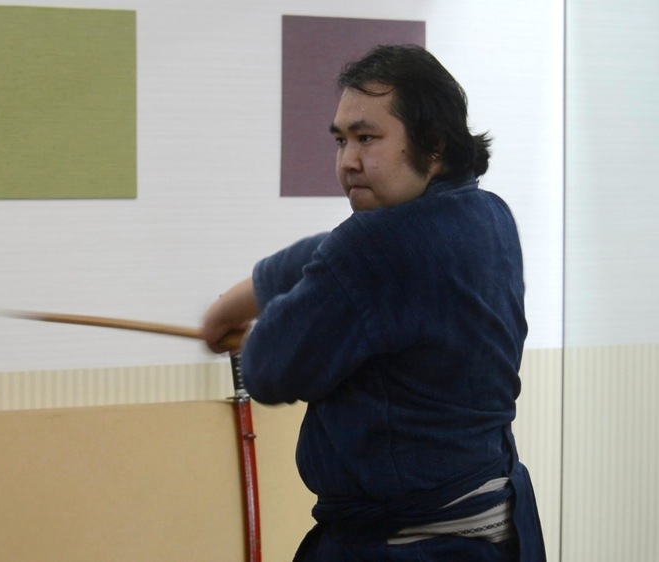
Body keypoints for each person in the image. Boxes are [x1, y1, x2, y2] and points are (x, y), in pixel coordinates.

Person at [202, 44, 546, 560]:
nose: (348, 161)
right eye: (341, 140)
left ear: (432, 144)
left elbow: (270, 369)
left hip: (412, 546)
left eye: (367, 138)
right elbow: (335, 254)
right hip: (501, 526)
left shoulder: (375, 250)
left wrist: (255, 332)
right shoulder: (490, 217)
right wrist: (240, 301)